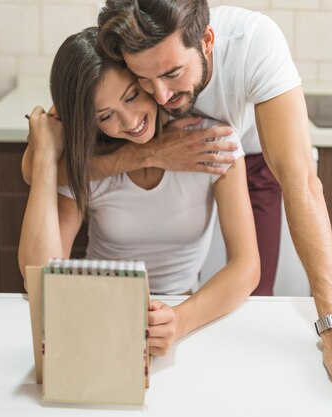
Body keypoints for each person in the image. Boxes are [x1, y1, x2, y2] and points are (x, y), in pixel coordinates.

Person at [91, 1, 332, 415]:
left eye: (172, 73)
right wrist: (149, 155)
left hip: (253, 160)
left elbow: (300, 183)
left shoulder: (254, 43)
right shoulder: (119, 41)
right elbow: (48, 162)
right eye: (143, 80)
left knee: (251, 297)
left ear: (207, 42)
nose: (163, 97)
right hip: (158, 151)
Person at [18, 27, 259, 357]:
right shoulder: (91, 160)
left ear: (145, 79)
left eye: (132, 96)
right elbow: (39, 282)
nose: (130, 121)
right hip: (99, 311)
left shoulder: (209, 143)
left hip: (185, 312)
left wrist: (179, 320)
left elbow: (246, 267)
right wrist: (45, 154)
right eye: (105, 116)